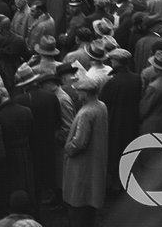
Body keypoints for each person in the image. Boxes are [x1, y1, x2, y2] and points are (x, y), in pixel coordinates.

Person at [62, 76, 107, 227]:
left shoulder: (86, 113)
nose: (76, 94)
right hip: (96, 162)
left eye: (79, 91)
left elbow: (79, 143)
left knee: (78, 203)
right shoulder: (101, 106)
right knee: (90, 203)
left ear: (86, 93)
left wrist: (68, 148)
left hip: (82, 166)